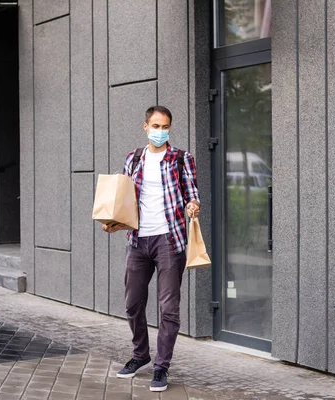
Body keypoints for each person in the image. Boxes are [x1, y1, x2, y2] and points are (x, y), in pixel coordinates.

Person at [102, 106, 200, 392]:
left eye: (165, 126)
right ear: (145, 126)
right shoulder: (133, 159)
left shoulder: (181, 158)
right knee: (133, 304)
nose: (160, 131)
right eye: (155, 126)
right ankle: (140, 355)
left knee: (168, 307)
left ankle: (161, 366)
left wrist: (193, 205)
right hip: (137, 241)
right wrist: (113, 223)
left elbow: (192, 194)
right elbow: (124, 200)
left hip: (170, 240)